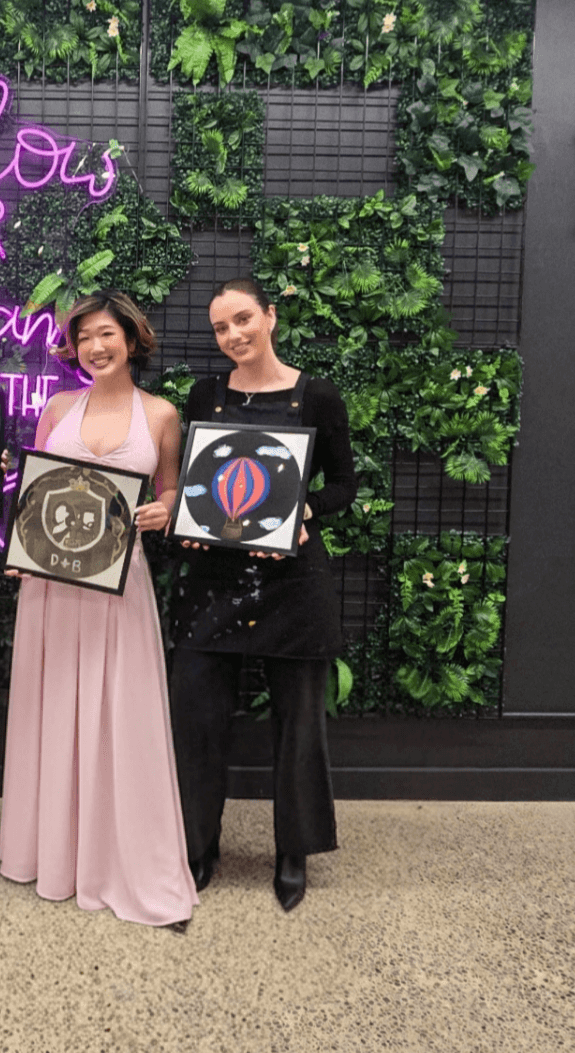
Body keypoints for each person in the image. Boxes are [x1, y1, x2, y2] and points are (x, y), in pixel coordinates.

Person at [0, 290, 199, 930]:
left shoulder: (162, 414)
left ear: (132, 338)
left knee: (122, 712)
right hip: (52, 588)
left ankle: (124, 856)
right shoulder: (56, 407)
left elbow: (169, 490)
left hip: (121, 586)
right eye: (84, 337)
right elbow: (36, 495)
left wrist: (166, 509)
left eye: (107, 333)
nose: (96, 347)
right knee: (54, 706)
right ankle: (52, 855)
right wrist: (18, 538)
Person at [169, 276, 357, 912]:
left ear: (271, 316)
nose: (233, 336)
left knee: (299, 726)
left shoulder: (318, 396)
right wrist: (187, 530)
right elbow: (198, 487)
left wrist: (305, 510)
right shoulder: (204, 394)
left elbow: (343, 489)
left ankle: (292, 852)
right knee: (196, 724)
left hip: (293, 586)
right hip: (212, 585)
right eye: (221, 327)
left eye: (243, 319)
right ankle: (199, 848)